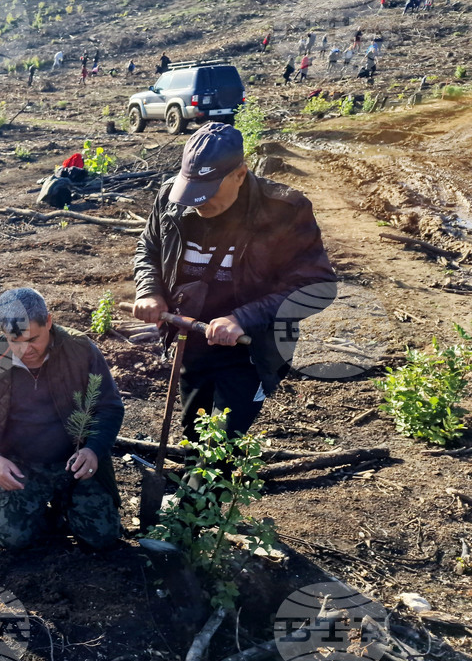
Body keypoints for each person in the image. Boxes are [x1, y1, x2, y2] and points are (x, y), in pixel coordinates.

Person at [132, 123, 336, 446]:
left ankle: (198, 496)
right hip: (191, 339)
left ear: (240, 174)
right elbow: (150, 247)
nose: (198, 202)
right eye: (192, 188)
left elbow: (317, 286)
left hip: (250, 351)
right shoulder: (171, 197)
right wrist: (150, 290)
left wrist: (242, 318)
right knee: (194, 437)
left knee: (221, 446)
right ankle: (193, 493)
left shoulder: (286, 210)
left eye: (209, 189)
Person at [0, 288, 124, 550]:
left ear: (48, 321)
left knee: (103, 538)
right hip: (21, 466)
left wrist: (93, 450)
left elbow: (110, 407)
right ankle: (49, 514)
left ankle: (67, 507)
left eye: (33, 339)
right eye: (14, 342)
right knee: (12, 539)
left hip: (76, 462)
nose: (24, 350)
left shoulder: (80, 349)